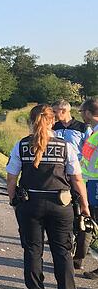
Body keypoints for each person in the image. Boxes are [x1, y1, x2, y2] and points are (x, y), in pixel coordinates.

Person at [6, 104, 90, 289]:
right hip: (60, 205)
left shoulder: (21, 145)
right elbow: (77, 179)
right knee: (62, 252)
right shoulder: (65, 146)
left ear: (31, 121)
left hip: (30, 205)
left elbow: (12, 179)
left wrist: (14, 202)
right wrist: (84, 206)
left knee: (32, 251)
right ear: (53, 121)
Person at [52, 100, 94, 269]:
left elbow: (89, 152)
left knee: (82, 213)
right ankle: (65, 246)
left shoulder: (83, 128)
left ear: (63, 111)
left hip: (78, 176)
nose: (54, 115)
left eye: (55, 111)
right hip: (58, 176)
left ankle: (79, 256)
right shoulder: (53, 128)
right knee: (63, 212)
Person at [78, 98, 98, 279]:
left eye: (81, 111)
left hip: (96, 183)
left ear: (89, 113)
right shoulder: (94, 131)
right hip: (91, 183)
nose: (81, 115)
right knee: (91, 221)